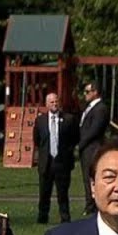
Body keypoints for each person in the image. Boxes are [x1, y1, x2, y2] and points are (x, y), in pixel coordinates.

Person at [34, 93, 77, 224]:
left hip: (62, 163)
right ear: (47, 105)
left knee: (63, 194)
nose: (54, 104)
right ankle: (42, 218)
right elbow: (37, 139)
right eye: (51, 102)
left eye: (56, 102)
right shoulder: (40, 120)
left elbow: (75, 138)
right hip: (46, 163)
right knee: (44, 193)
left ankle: (65, 218)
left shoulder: (69, 119)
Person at [78, 82, 109, 214]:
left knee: (92, 177)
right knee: (86, 178)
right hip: (87, 148)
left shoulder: (100, 108)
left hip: (93, 148)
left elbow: (94, 130)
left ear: (95, 92)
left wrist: (81, 144)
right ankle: (89, 204)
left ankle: (93, 206)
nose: (85, 94)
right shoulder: (89, 107)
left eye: (87, 91)